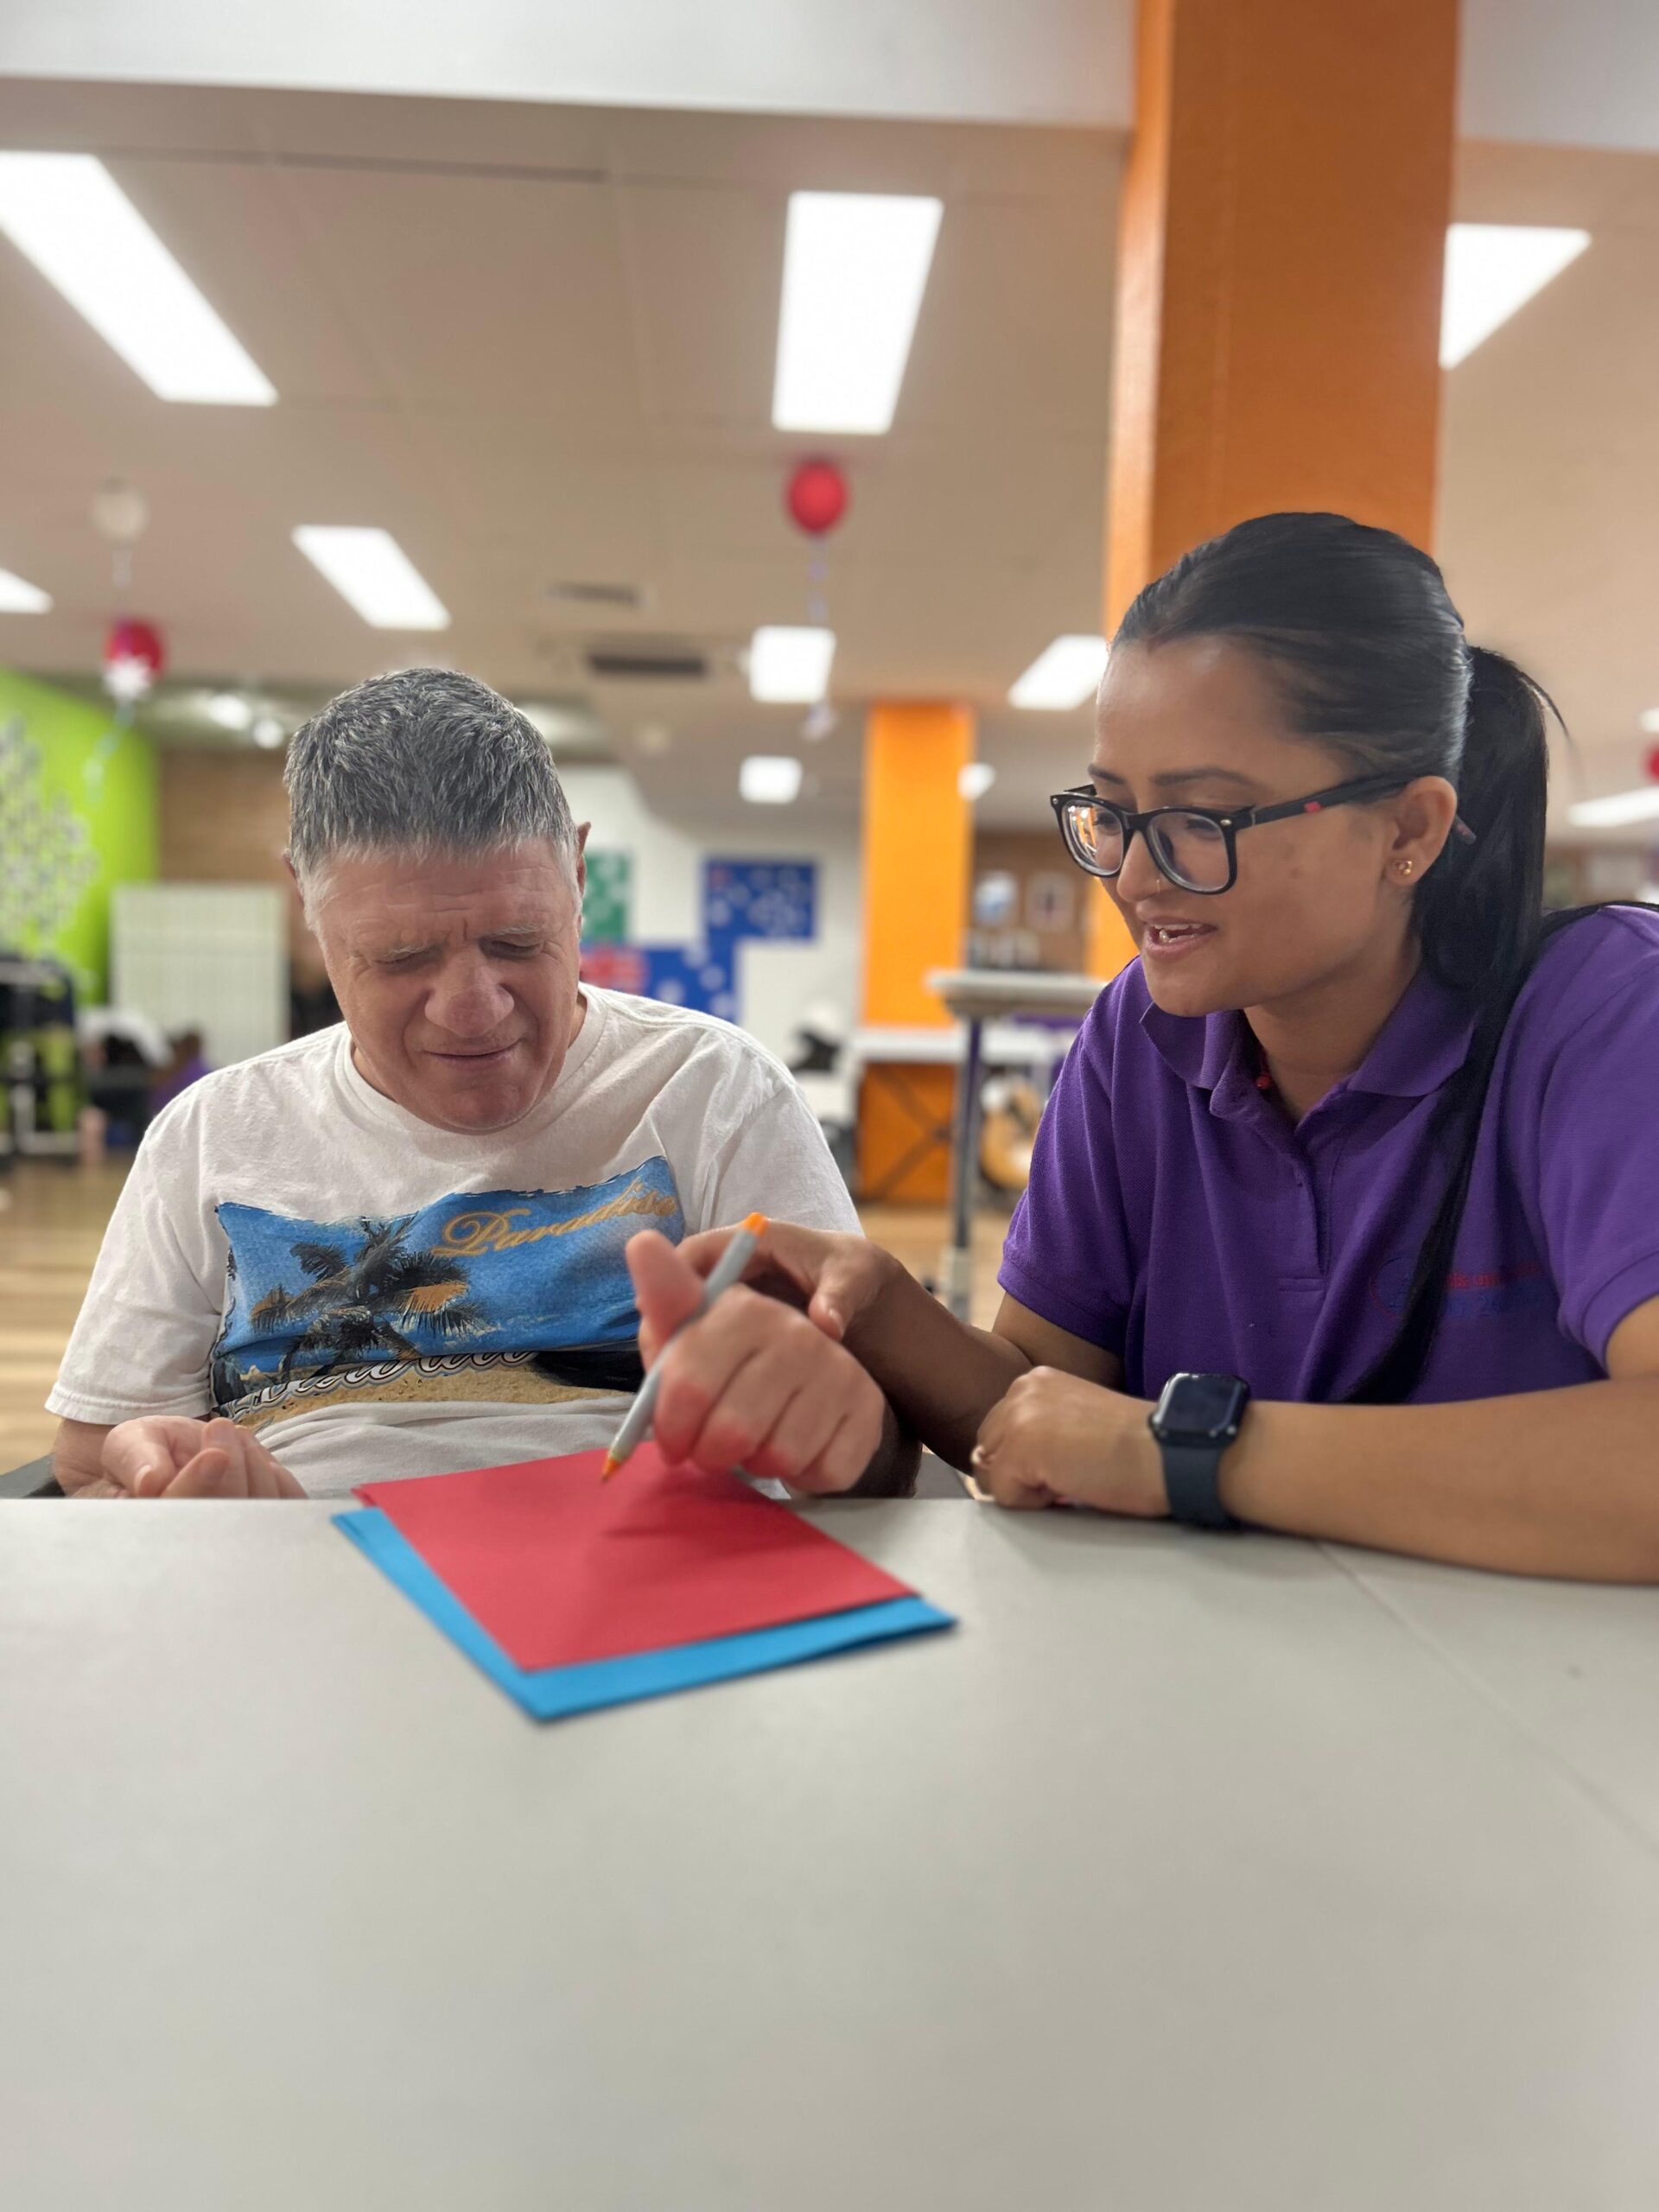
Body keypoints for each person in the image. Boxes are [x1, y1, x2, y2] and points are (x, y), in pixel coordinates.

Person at [653, 512, 1659, 1580]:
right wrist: (878, 1306)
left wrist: (1187, 1449)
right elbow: (1041, 1407)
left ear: (1407, 830)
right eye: (1114, 813)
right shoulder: (1141, 1035)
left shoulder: (1601, 1011)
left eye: (1202, 820)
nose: (1134, 878)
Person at [49, 669, 906, 1501]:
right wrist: (158, 1484)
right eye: (401, 957)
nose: (471, 1008)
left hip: (652, 1589)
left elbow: (880, 1456)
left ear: (575, 873)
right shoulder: (208, 1135)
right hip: (296, 1591)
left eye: (518, 941)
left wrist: (839, 1416)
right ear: (306, 906)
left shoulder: (714, 1092)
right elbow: (93, 1463)